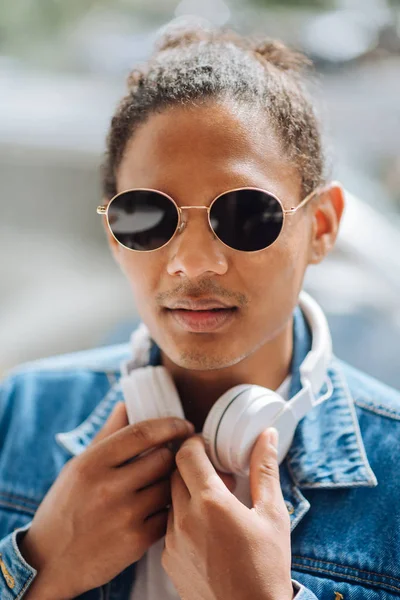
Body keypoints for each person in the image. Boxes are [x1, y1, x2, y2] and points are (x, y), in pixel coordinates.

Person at [1, 19, 399, 600]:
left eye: (244, 214)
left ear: (323, 225)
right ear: (114, 236)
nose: (191, 262)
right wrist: (38, 565)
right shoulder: (19, 415)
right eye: (147, 215)